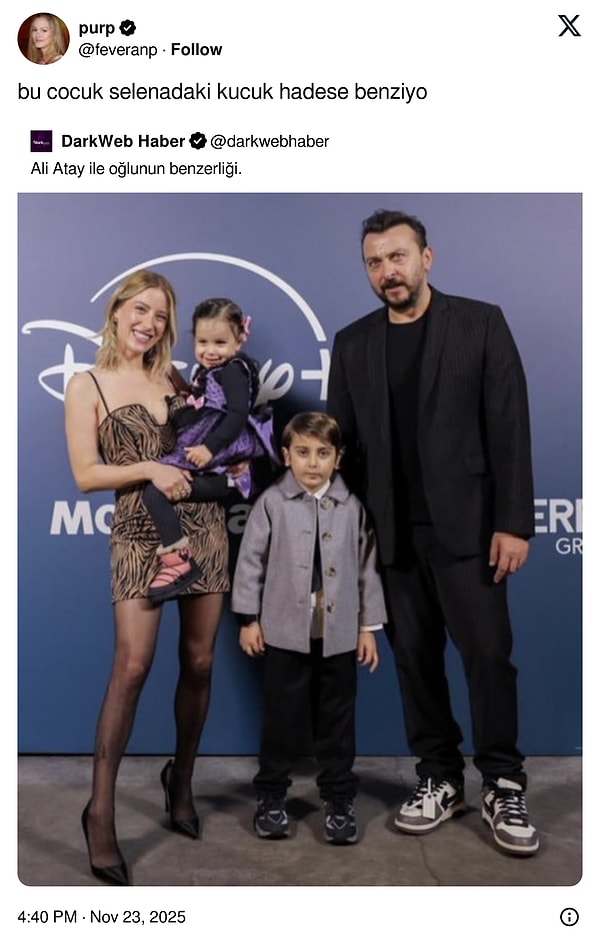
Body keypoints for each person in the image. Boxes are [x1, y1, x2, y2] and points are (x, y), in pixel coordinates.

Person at [327, 209, 539, 856]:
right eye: (374, 262)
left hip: (470, 531)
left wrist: (513, 522)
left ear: (427, 257)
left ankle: (503, 781)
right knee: (415, 663)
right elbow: (341, 447)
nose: (386, 271)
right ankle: (440, 776)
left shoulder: (480, 322)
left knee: (488, 659)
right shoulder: (354, 342)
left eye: (397, 257)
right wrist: (347, 539)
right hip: (390, 536)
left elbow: (509, 426)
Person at [65, 270, 230, 885]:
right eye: (140, 309)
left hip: (204, 528)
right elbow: (86, 474)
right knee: (132, 667)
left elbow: (211, 439)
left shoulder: (179, 378)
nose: (150, 323)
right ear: (116, 311)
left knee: (201, 662)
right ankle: (100, 812)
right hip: (139, 533)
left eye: (161, 316)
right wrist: (150, 469)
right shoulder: (86, 385)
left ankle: (179, 778)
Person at [231, 412, 387, 845]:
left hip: (338, 635)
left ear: (338, 458)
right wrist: (248, 619)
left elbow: (367, 569)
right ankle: (271, 797)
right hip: (283, 633)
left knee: (338, 722)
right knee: (281, 719)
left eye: (322, 453)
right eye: (303, 452)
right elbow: (250, 563)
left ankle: (339, 800)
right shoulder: (271, 503)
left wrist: (367, 627)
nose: (313, 463)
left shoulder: (352, 508)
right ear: (286, 456)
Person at [141, 297, 278, 603]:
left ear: (239, 340)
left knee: (154, 492)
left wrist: (209, 448)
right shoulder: (210, 372)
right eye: (202, 342)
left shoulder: (234, 371)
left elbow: (237, 415)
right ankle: (223, 485)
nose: (210, 351)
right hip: (211, 450)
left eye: (220, 342)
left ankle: (178, 560)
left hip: (219, 447)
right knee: (155, 491)